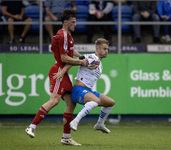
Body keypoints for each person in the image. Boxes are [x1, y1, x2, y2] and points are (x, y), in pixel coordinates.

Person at [25, 8, 86, 146]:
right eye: (73, 22)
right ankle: (32, 127)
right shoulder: (63, 36)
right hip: (58, 71)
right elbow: (65, 58)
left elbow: (70, 52)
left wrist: (80, 56)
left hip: (62, 70)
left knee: (71, 102)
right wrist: (81, 62)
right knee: (54, 100)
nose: (75, 24)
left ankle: (66, 137)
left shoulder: (67, 35)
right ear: (65, 22)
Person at [69, 38, 115, 133]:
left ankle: (100, 124)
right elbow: (74, 61)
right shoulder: (90, 57)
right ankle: (75, 121)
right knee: (95, 101)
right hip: (78, 90)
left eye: (107, 49)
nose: (106, 51)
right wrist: (62, 72)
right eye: (104, 49)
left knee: (110, 102)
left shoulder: (100, 63)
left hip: (88, 91)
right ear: (97, 49)